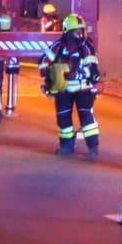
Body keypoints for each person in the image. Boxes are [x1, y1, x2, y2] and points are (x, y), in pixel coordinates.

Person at [44, 14, 102, 158]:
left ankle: (93, 147)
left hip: (83, 89)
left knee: (86, 117)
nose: (80, 35)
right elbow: (44, 62)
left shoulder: (87, 48)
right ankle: (66, 146)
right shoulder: (57, 47)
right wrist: (49, 79)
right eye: (77, 32)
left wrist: (76, 75)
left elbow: (92, 69)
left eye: (81, 31)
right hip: (63, 89)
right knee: (63, 118)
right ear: (67, 32)